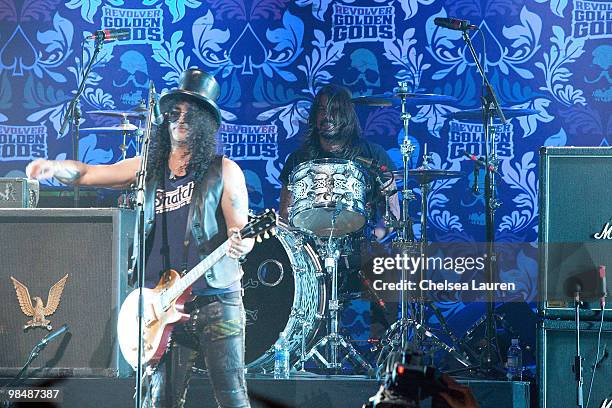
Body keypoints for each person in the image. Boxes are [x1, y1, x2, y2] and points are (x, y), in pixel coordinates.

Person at [26, 68, 253, 408]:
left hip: (215, 300)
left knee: (232, 398)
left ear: (205, 122)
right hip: (160, 304)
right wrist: (53, 168)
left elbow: (242, 232)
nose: (180, 120)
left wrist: (240, 243)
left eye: (190, 115)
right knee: (158, 401)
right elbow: (90, 174)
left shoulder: (224, 171)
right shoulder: (147, 167)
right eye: (174, 113)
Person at [279, 83, 400, 234]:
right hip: (312, 248)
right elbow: (284, 215)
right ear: (314, 117)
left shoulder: (373, 155)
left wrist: (377, 236)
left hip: (362, 245)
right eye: (322, 110)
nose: (327, 116)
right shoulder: (298, 159)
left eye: (335, 110)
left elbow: (393, 214)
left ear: (347, 116)